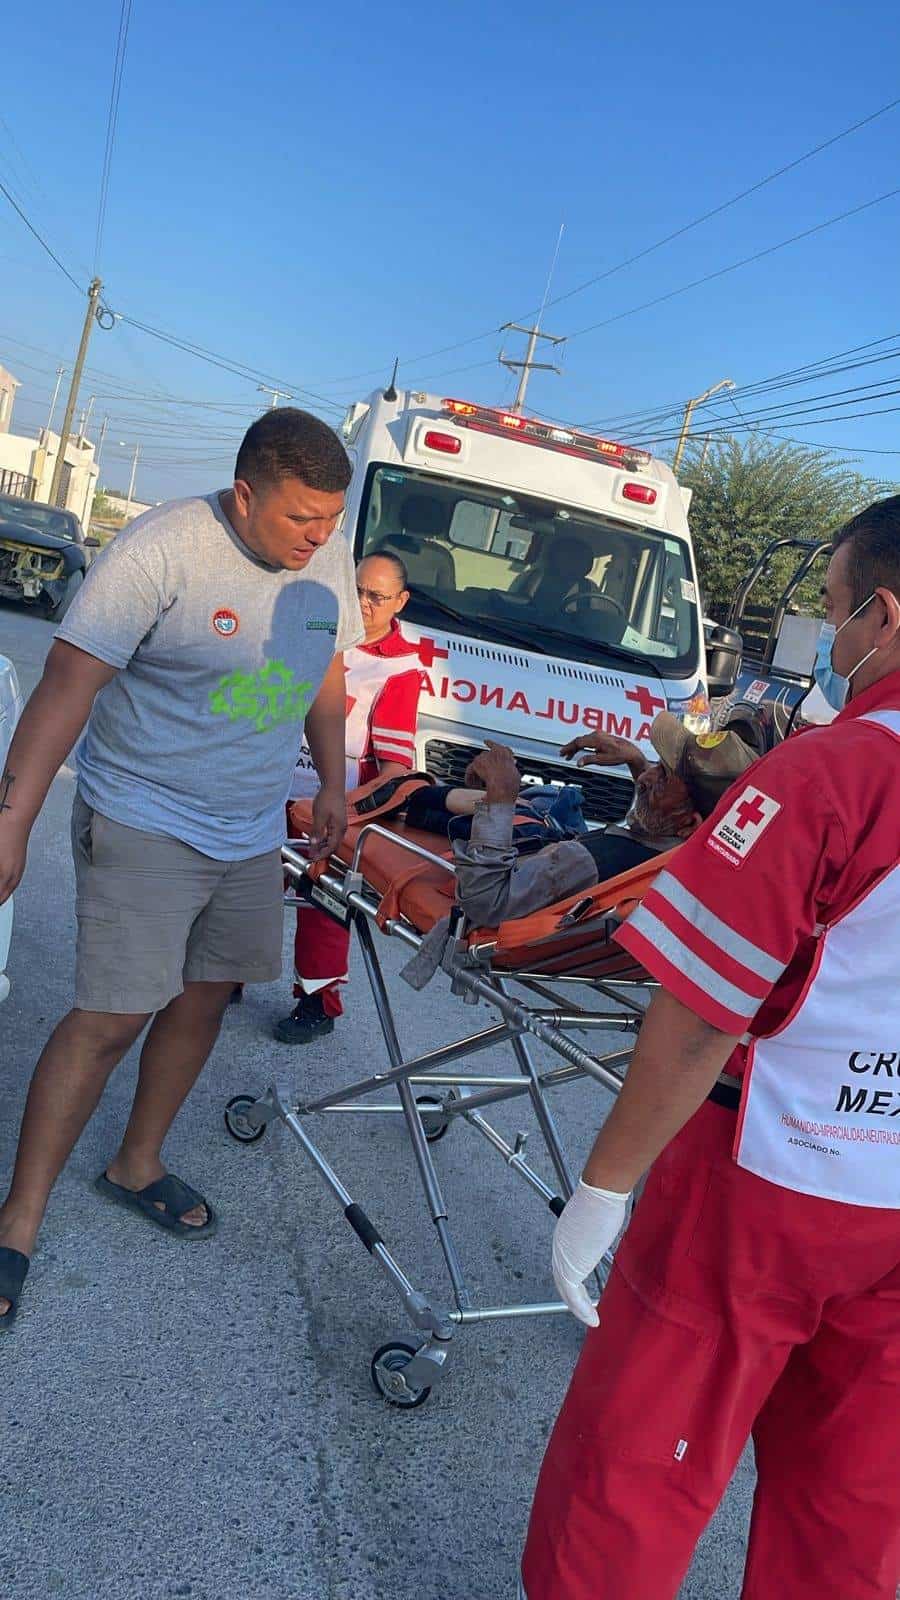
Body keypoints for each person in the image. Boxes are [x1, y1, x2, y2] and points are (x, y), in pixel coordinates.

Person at [520, 494, 900, 1600]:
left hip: (772, 1181)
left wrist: (601, 1188)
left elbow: (699, 1017)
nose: (832, 643)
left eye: (834, 613)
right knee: (855, 1500)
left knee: (635, 1471)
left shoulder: (837, 772)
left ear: (880, 612)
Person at [0, 407, 364, 1329]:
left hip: (247, 830)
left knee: (205, 998)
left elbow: (323, 674)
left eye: (331, 519)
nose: (319, 539)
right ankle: (18, 1221)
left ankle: (137, 1162)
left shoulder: (324, 556)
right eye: (299, 520)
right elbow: (65, 687)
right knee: (113, 1015)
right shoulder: (160, 551)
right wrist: (12, 821)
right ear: (245, 495)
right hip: (143, 814)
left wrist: (331, 781)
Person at [402, 718, 754, 929]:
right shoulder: (685, 857)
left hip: (497, 891)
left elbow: (484, 904)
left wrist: (501, 796)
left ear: (689, 825)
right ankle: (406, 794)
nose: (646, 776)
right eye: (655, 764)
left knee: (421, 800)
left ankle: (402, 795)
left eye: (661, 775)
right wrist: (634, 760)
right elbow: (658, 829)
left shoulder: (583, 862)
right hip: (554, 854)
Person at [274, 551, 422, 1043]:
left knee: (323, 908)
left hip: (330, 807)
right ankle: (225, 976)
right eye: (355, 589)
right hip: (269, 788)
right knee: (241, 891)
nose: (361, 603)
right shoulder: (319, 627)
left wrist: (352, 813)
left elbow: (396, 767)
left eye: (375, 596)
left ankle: (317, 1004)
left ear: (399, 602)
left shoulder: (401, 669)